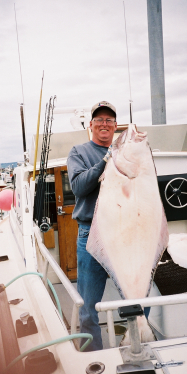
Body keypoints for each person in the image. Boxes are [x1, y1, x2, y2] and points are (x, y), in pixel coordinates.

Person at [67, 101, 117, 351]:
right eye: (99, 120)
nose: (104, 124)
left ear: (116, 126)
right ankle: (94, 359)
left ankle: (134, 345)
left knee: (141, 296)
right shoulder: (79, 152)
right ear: (91, 125)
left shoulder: (125, 152)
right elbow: (78, 187)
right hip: (90, 234)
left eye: (109, 120)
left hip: (122, 235)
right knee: (88, 308)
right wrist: (105, 163)